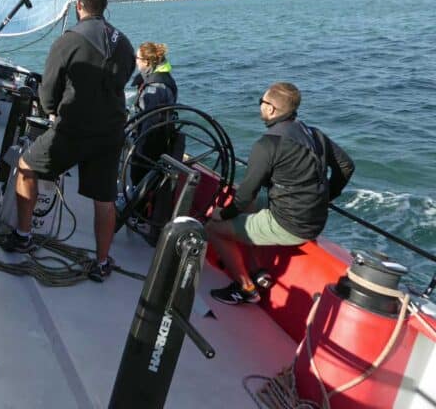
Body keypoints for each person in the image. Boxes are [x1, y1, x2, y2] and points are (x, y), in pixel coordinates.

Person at [1, 0, 136, 282]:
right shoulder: (124, 43)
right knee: (104, 198)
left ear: (78, 6)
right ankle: (102, 263)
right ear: (104, 6)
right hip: (112, 131)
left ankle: (23, 236)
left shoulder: (67, 41)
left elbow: (48, 92)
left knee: (25, 167)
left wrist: (51, 112)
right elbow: (123, 79)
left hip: (73, 129)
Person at [206, 82, 355, 305]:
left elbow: (244, 195)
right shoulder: (314, 134)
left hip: (289, 223)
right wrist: (325, 198)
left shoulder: (267, 145)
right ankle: (257, 270)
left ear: (271, 109)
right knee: (248, 204)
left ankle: (246, 288)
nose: (260, 107)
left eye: (261, 103)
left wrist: (222, 215)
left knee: (214, 227)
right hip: (314, 219)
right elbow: (346, 166)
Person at [130, 42, 179, 186]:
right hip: (160, 137)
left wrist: (139, 152)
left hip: (151, 143)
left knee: (139, 176)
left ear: (147, 62)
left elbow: (150, 125)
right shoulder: (163, 78)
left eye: (137, 58)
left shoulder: (155, 88)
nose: (135, 61)